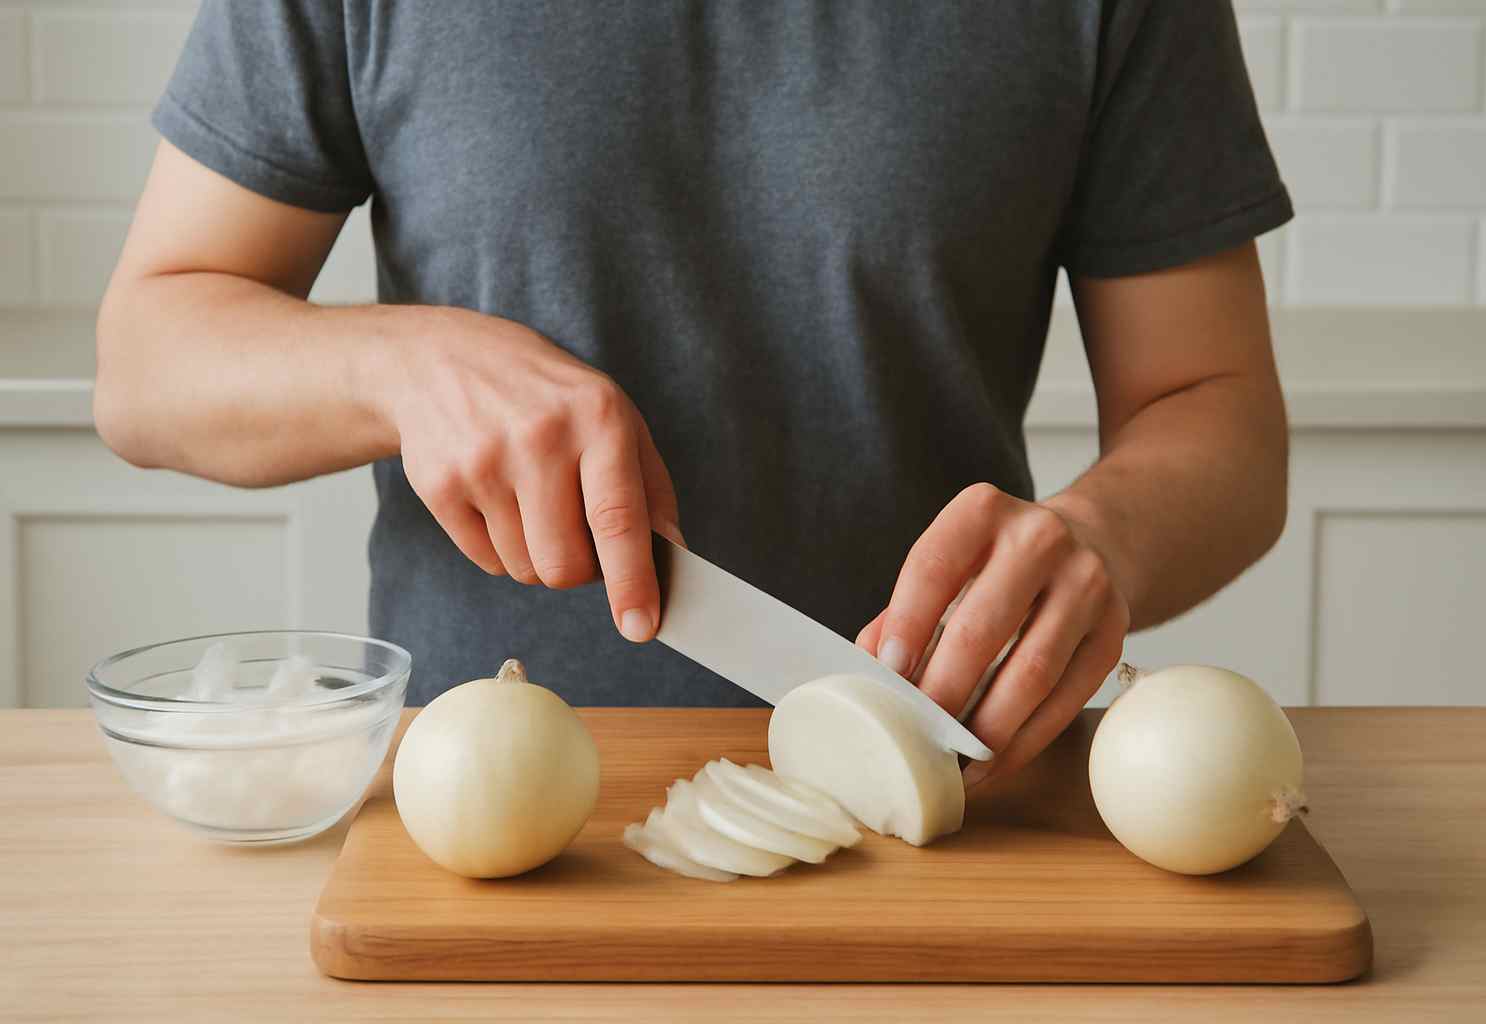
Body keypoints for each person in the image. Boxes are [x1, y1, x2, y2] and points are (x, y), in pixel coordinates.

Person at [95, 1, 1291, 789]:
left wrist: (1103, 540)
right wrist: (398, 366)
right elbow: (147, 364)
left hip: (941, 800)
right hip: (481, 820)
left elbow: (1216, 406)